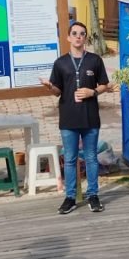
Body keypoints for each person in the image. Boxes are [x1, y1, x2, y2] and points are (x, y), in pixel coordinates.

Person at [40, 21, 113, 215]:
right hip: (68, 118)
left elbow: (105, 85)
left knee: (90, 158)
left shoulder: (95, 60)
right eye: (74, 33)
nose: (78, 36)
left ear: (85, 37)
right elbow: (57, 91)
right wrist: (49, 87)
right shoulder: (60, 63)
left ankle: (93, 195)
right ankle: (70, 197)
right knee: (70, 159)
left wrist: (93, 92)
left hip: (90, 118)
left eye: (82, 33)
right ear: (68, 37)